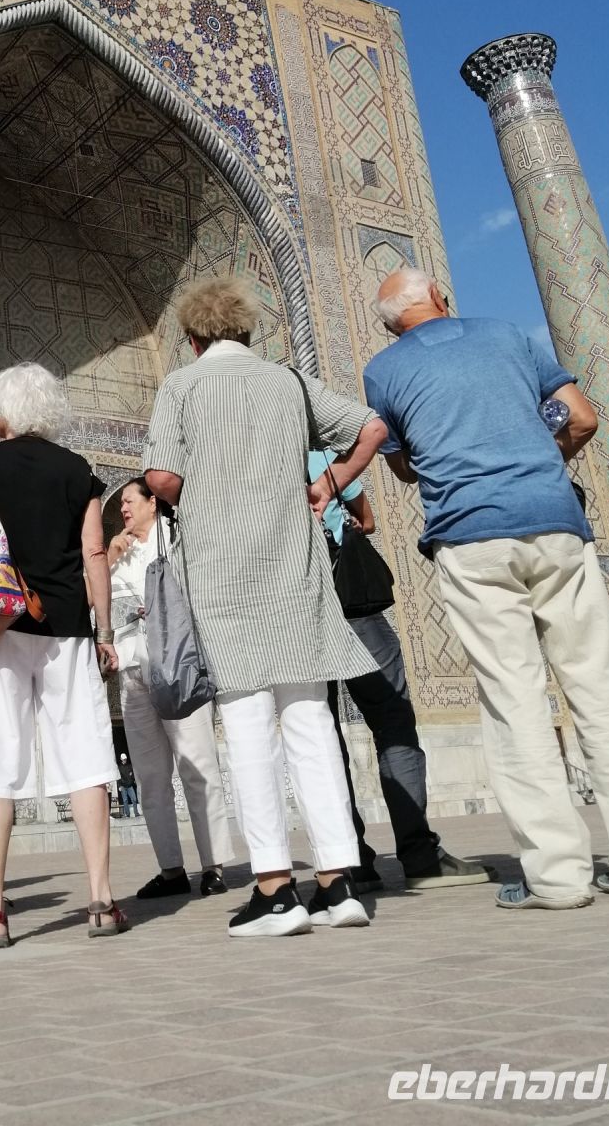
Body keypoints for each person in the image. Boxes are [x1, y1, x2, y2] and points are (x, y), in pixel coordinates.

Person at [364, 268, 609, 908]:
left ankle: (557, 877)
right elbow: (579, 417)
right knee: (602, 690)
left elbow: (406, 465)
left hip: (470, 539)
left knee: (514, 701)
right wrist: (536, 463)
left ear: (391, 323)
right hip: (554, 522)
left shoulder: (384, 372)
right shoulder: (505, 335)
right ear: (441, 295)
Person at [144, 278, 387, 938]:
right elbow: (372, 426)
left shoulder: (182, 388)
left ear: (193, 339)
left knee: (248, 729)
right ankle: (340, 886)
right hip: (292, 570)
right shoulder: (290, 383)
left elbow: (162, 478)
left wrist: (202, 484)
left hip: (224, 577)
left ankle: (275, 890)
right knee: (309, 722)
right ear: (246, 331)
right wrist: (328, 482)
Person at [0, 363, 127, 946]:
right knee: (86, 755)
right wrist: (104, 629)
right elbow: (94, 549)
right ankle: (100, 898)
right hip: (65, 627)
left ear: (4, 413)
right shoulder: (79, 470)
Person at [309, 450, 490, 893]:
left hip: (296, 612)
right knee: (393, 723)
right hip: (352, 604)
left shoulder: (244, 461)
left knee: (317, 734)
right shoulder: (319, 458)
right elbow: (367, 521)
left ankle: (348, 862)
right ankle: (419, 855)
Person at [109, 478, 233, 898]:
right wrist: (108, 558)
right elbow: (100, 607)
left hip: (178, 666)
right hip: (134, 672)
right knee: (150, 777)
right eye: (122, 502)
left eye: (129, 500)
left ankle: (213, 864)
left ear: (152, 503)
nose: (123, 508)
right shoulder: (118, 553)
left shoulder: (177, 539)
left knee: (197, 766)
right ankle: (171, 869)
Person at [116, 753, 139, 818]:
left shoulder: (129, 766)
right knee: (125, 800)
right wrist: (119, 786)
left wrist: (133, 779)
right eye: (123, 759)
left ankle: (136, 813)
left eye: (125, 759)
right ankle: (127, 814)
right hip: (123, 786)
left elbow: (132, 774)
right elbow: (118, 777)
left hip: (129, 786)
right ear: (121, 759)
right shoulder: (119, 768)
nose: (124, 760)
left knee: (134, 799)